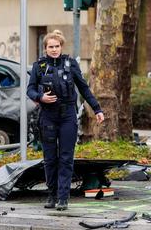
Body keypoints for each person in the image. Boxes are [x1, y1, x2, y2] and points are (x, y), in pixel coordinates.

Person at [27, 30, 104, 211]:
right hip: (48, 115)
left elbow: (84, 89)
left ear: (61, 47)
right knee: (50, 158)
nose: (54, 50)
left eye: (57, 46)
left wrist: (97, 109)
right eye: (50, 47)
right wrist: (40, 97)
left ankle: (63, 198)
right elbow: (29, 89)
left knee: (66, 158)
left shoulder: (71, 64)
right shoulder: (39, 66)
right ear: (45, 48)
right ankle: (52, 195)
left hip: (68, 115)